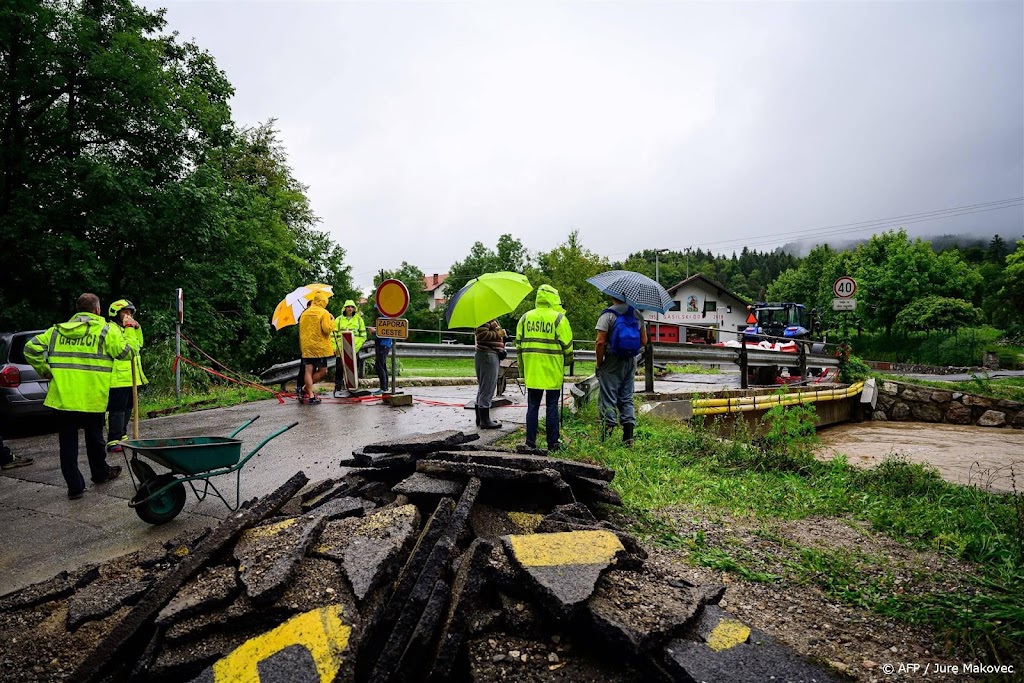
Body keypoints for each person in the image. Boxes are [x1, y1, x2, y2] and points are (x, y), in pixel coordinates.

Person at [24, 293, 134, 499]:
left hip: (63, 399)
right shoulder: (106, 330)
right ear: (97, 310)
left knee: (67, 443)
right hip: (92, 397)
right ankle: (100, 473)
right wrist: (129, 329)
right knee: (95, 439)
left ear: (77, 310)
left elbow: (30, 348)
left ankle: (74, 487)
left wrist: (43, 369)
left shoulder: (56, 331)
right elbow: (127, 353)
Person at [515, 285, 573, 452]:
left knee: (532, 406)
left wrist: (523, 370)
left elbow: (518, 347)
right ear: (554, 299)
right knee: (552, 406)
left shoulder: (525, 318)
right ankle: (553, 443)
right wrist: (567, 362)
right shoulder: (559, 318)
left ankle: (530, 442)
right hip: (552, 370)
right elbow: (568, 348)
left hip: (532, 370)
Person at [595, 296, 648, 446]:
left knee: (608, 396)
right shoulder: (637, 314)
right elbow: (644, 341)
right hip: (630, 360)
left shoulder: (607, 315)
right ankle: (628, 436)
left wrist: (600, 364)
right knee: (626, 397)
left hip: (612, 360)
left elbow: (600, 342)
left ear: (612, 296)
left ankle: (607, 435)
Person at [106, 299, 147, 452]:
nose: (128, 315)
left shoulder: (127, 328)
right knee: (117, 409)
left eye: (130, 313)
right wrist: (129, 326)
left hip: (131, 376)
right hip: (117, 378)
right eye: (125, 312)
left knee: (128, 407)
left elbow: (138, 345)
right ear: (116, 313)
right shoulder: (111, 329)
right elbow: (123, 349)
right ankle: (113, 440)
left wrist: (136, 328)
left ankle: (122, 436)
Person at [298, 291, 334, 405]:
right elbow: (326, 329)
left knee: (308, 370)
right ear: (323, 301)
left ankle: (310, 395)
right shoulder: (324, 313)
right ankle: (305, 389)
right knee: (323, 371)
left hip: (307, 347)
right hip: (319, 347)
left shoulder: (304, 313)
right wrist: (332, 321)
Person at [474, 318, 506, 429]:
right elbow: (481, 335)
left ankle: (480, 418)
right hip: (488, 355)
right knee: (488, 387)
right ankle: (485, 420)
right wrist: (498, 333)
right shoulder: (485, 318)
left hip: (489, 354)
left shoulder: (490, 318)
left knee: (484, 387)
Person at [332, 300, 367, 398]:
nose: (350, 308)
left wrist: (356, 346)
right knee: (339, 368)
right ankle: (338, 387)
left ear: (354, 308)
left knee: (354, 367)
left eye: (352, 307)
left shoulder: (359, 319)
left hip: (353, 348)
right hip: (340, 348)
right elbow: (332, 335)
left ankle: (352, 387)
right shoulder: (338, 320)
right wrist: (334, 347)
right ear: (345, 308)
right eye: (348, 307)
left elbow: (363, 335)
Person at [369, 314, 392, 395]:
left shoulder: (384, 319)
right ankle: (385, 387)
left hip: (383, 344)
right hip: (384, 344)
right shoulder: (387, 318)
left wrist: (374, 331)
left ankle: (383, 388)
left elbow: (383, 332)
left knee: (379, 366)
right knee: (382, 365)